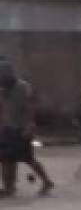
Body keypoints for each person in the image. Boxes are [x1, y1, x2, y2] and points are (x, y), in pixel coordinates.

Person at [0, 58, 53, 197]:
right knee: (6, 159)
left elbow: (30, 107)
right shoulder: (3, 88)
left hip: (21, 128)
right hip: (7, 128)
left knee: (28, 158)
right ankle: (9, 187)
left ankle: (46, 181)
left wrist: (30, 125)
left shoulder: (22, 87)